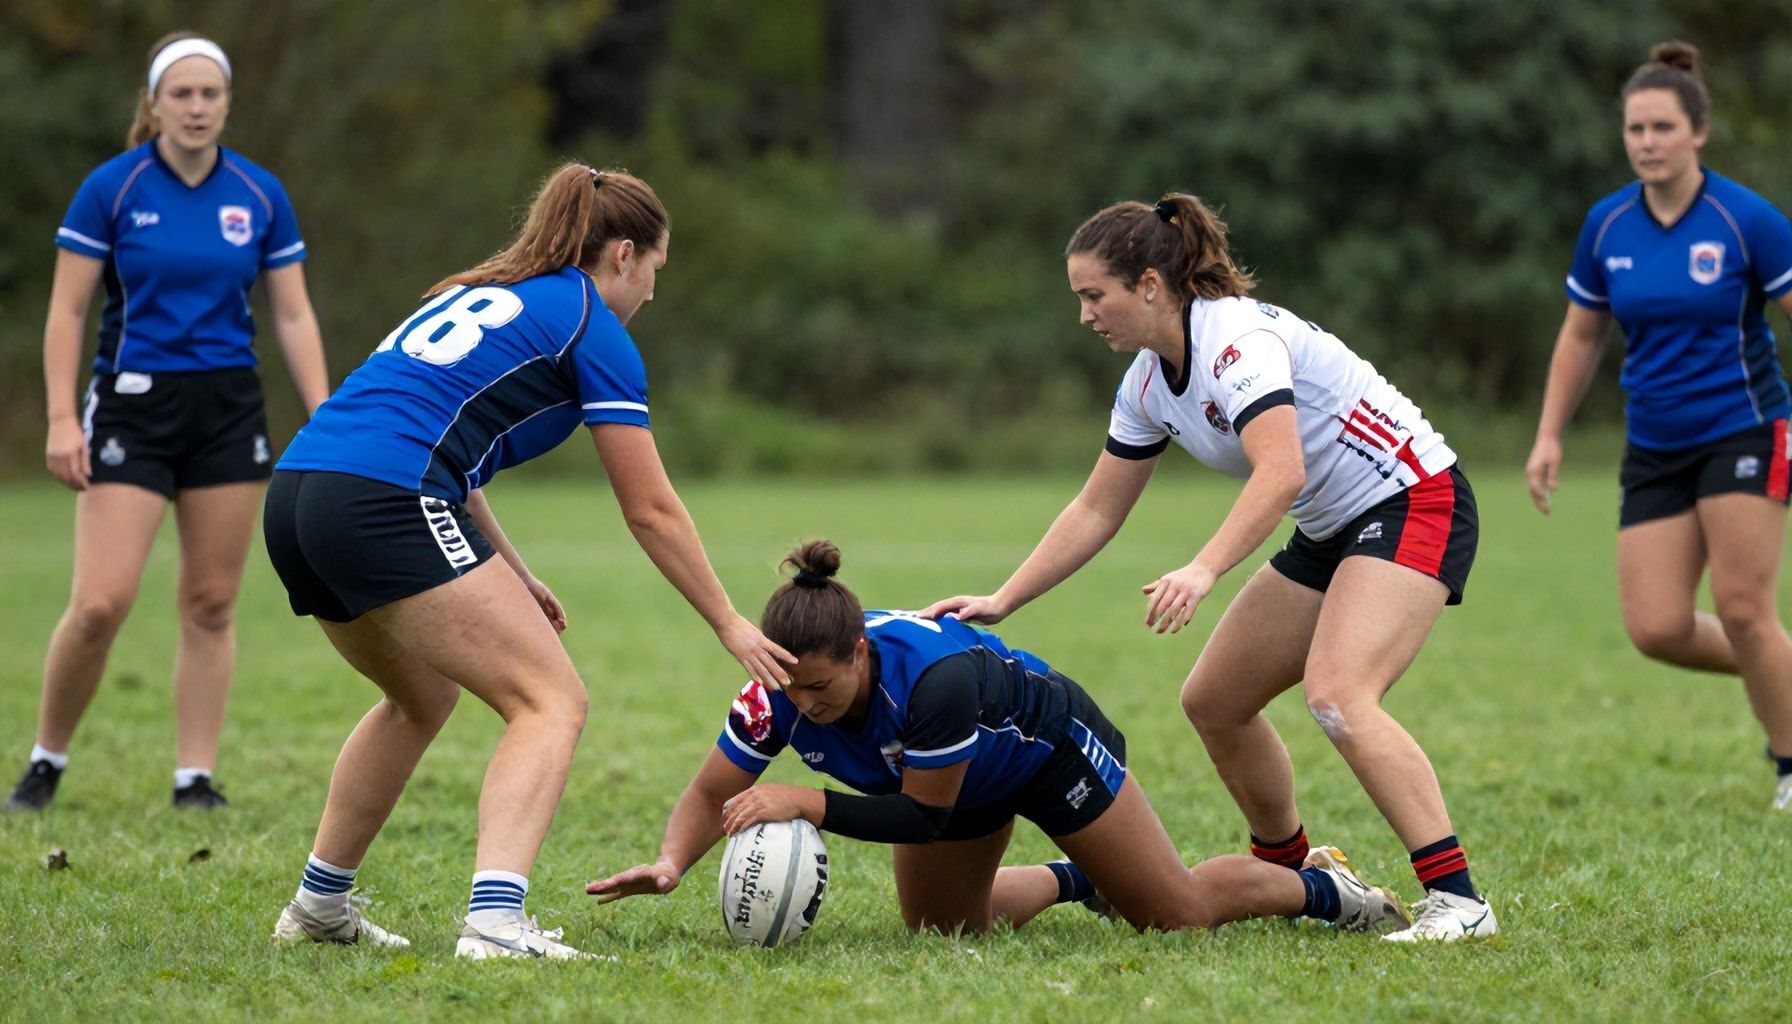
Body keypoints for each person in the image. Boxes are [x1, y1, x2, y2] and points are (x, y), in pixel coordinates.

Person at [922, 193, 1497, 942]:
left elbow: (1281, 470)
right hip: (1334, 526)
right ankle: (1295, 872)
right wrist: (1005, 597)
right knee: (1215, 700)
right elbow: (1097, 509)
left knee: (1339, 694)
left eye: (1095, 295)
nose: (1085, 314)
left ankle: (1459, 901)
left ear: (1151, 287)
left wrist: (1204, 568)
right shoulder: (1146, 382)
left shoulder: (1235, 342)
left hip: (1416, 497)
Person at [262, 163, 795, 959]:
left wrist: (511, 570)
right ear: (622, 255)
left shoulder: (481, 292)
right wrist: (728, 621)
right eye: (655, 270)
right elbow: (649, 509)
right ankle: (496, 923)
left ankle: (319, 905)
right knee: (552, 700)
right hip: (382, 500)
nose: (652, 290)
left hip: (300, 496)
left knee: (419, 697)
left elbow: (446, 452)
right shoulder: (593, 327)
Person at [589, 541, 1409, 937]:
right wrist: (670, 862)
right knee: (945, 933)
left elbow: (925, 817)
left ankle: (1321, 886)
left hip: (1048, 745)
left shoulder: (932, 685)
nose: (807, 704)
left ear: (861, 654)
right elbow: (710, 791)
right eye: (790, 686)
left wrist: (806, 801)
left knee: (1176, 917)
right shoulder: (775, 692)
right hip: (956, 786)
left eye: (822, 687)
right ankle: (1080, 877)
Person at [5, 32, 329, 813]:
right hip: (131, 407)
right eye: (180, 94)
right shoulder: (112, 190)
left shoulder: (258, 195)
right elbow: (68, 309)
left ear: (226, 103)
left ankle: (194, 778)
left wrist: (325, 419)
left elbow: (290, 313)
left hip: (226, 411)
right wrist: (59, 417)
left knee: (212, 602)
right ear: (153, 104)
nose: (195, 107)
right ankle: (46, 759)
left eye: (209, 94)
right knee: (101, 603)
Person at [1526, 41, 1792, 812]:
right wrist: (1547, 434)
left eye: (1662, 128)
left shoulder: (1746, 221)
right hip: (1654, 444)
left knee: (1745, 609)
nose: (1646, 142)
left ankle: (1788, 763)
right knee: (1657, 626)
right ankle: (1777, 668)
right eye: (1635, 129)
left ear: (1698, 133)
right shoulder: (1607, 226)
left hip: (1745, 429)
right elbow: (1581, 337)